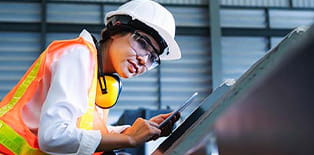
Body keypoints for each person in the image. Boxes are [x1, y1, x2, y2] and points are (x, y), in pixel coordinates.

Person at [0, 0, 181, 154]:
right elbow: (52, 137)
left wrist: (134, 131)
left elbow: (83, 132)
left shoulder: (100, 78)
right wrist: (129, 140)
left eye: (153, 58)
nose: (144, 60)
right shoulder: (78, 54)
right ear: (116, 30)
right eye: (142, 43)